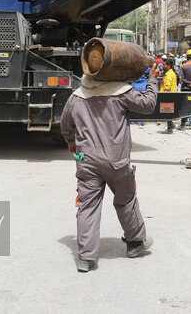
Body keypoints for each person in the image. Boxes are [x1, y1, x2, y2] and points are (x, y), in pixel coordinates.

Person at [60, 63, 159, 272]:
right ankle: (135, 242)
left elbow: (65, 125)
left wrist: (72, 143)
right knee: (126, 199)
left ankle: (86, 258)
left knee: (87, 205)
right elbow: (149, 104)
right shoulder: (121, 93)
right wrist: (152, 79)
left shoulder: (76, 97)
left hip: (86, 159)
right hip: (117, 160)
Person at [160, 58, 178, 134]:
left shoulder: (169, 74)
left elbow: (167, 86)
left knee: (166, 111)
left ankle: (170, 127)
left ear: (169, 66)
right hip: (170, 94)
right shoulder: (170, 73)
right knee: (167, 111)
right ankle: (171, 125)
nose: (163, 66)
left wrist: (164, 95)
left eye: (164, 65)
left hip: (168, 95)